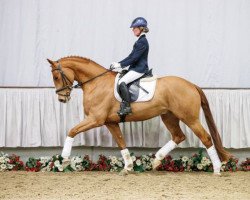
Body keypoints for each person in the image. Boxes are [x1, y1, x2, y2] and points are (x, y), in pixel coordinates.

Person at [110, 17, 150, 116]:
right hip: (135, 68)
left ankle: (127, 107)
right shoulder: (140, 41)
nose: (133, 30)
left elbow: (134, 58)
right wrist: (119, 64)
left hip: (139, 69)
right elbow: (130, 56)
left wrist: (120, 65)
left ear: (141, 28)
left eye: (134, 28)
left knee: (122, 82)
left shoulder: (142, 42)